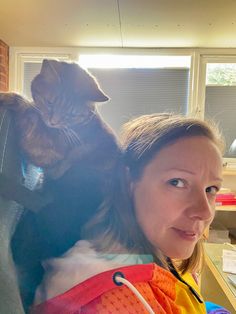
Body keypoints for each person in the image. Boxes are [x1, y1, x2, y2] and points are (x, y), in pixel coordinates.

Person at [31, 113, 230, 314]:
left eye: (211, 189)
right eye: (177, 182)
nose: (204, 212)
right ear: (128, 182)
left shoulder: (154, 246)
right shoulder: (118, 300)